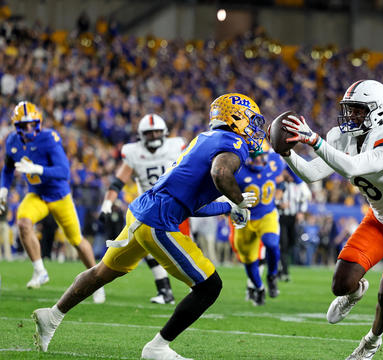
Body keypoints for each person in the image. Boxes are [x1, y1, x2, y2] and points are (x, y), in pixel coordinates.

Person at [31, 93, 265, 360]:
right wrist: (237, 199)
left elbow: (190, 204)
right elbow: (221, 174)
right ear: (236, 117)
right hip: (158, 221)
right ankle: (157, 348)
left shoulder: (204, 139)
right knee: (209, 287)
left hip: (143, 211)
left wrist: (229, 207)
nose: (255, 129)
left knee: (101, 273)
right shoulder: (232, 141)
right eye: (252, 121)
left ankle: (52, 315)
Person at [279, 79, 383, 359]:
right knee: (340, 284)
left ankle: (372, 341)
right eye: (350, 109)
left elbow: (352, 166)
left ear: (379, 111)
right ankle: (355, 292)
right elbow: (311, 173)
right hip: (378, 220)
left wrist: (314, 140)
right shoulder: (341, 137)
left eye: (359, 110)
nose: (351, 116)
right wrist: (286, 153)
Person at [0, 101, 105, 302]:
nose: (29, 128)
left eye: (32, 124)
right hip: (37, 195)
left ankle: (96, 281)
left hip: (59, 196)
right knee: (23, 222)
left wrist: (38, 169)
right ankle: (40, 270)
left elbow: (64, 171)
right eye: (24, 125)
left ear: (38, 122)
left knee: (76, 240)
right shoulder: (12, 141)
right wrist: (3, 190)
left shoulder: (49, 138)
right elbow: (7, 169)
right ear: (16, 126)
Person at [100, 113, 187, 305]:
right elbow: (117, 183)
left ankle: (181, 288)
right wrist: (106, 205)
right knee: (147, 246)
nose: (154, 135)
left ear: (164, 132)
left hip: (176, 204)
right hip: (150, 206)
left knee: (178, 249)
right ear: (141, 135)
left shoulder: (175, 147)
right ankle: (166, 291)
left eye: (157, 131)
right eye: (149, 133)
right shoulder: (133, 153)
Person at [231, 144, 285, 305]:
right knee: (249, 260)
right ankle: (259, 288)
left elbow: (285, 178)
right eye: (257, 156)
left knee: (271, 243)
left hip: (267, 214)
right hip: (245, 220)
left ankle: (272, 275)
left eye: (263, 156)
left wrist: (283, 187)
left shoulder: (275, 162)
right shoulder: (238, 171)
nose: (262, 159)